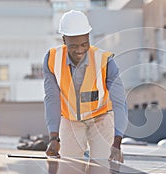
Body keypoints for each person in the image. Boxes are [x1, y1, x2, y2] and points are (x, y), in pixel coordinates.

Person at [43, 10, 127, 162]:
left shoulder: (105, 60)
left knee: (103, 167)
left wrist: (117, 142)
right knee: (68, 167)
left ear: (89, 37)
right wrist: (53, 137)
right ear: (64, 40)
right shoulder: (52, 59)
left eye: (84, 44)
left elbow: (120, 102)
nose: (80, 50)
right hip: (70, 119)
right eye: (73, 46)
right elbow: (51, 99)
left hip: (101, 117)